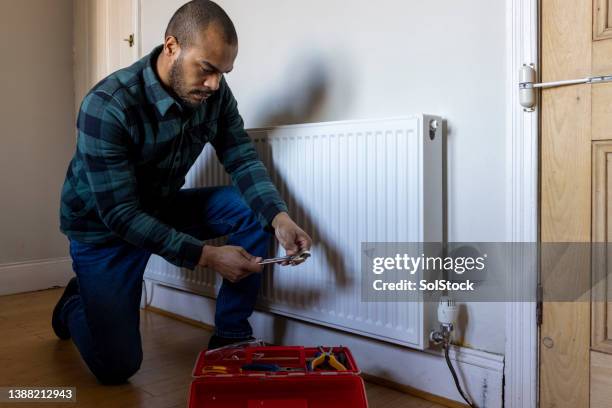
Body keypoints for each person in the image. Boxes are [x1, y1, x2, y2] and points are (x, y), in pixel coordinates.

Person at [52, 0, 312, 385]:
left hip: (160, 208)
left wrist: (280, 217)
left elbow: (240, 156)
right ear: (171, 46)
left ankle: (230, 335)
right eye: (206, 69)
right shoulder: (107, 105)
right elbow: (121, 214)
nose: (214, 84)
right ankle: (76, 302)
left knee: (252, 211)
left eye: (223, 73)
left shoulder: (215, 95)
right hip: (103, 231)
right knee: (117, 367)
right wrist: (207, 256)